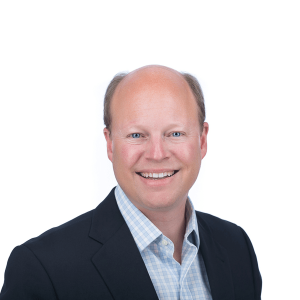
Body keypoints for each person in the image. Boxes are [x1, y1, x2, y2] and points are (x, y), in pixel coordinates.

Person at [0, 65, 262, 300]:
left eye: (175, 133)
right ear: (110, 144)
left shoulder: (236, 247)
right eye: (137, 135)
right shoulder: (42, 268)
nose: (157, 154)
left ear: (202, 141)